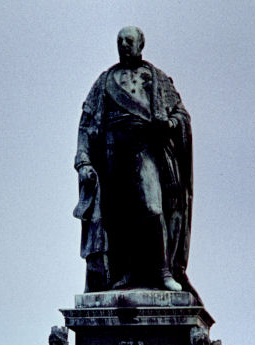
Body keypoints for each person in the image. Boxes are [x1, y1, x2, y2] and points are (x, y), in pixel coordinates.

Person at [74, 26, 194, 295]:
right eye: (120, 40)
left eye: (129, 40)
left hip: (145, 149)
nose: (124, 44)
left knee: (152, 208)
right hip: (112, 154)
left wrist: (171, 124)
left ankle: (162, 272)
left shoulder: (156, 78)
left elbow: (180, 114)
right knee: (119, 218)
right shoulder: (105, 81)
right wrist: (83, 162)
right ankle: (126, 272)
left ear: (141, 44)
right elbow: (87, 123)